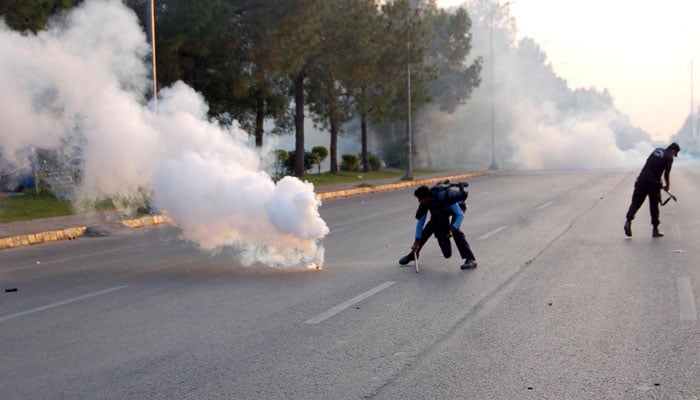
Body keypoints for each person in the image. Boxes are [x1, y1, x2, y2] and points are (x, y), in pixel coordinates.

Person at [399, 185, 477, 270]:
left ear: (428, 197)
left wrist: (452, 228)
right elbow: (420, 223)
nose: (419, 201)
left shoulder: (444, 197)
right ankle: (413, 255)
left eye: (420, 199)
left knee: (456, 232)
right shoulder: (424, 203)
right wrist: (416, 241)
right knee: (430, 227)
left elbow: (459, 214)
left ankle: (471, 259)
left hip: (458, 209)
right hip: (441, 214)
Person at [624, 142, 680, 238]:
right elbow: (666, 173)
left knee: (636, 203)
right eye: (675, 154)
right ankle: (655, 230)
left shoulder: (656, 150)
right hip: (653, 183)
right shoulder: (669, 157)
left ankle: (628, 221)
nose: (674, 156)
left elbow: (648, 164)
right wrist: (667, 185)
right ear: (673, 150)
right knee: (654, 206)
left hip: (642, 179)